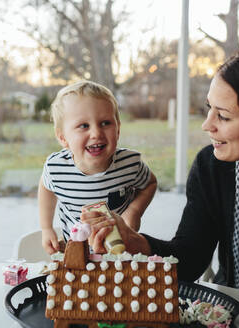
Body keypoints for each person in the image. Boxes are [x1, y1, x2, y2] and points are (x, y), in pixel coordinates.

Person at [81, 45, 239, 318]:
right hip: (235, 313)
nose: (207, 125)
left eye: (223, 116)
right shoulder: (212, 166)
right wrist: (137, 243)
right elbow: (191, 259)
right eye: (209, 109)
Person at [38, 80, 157, 255]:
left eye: (105, 123)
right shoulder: (56, 168)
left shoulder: (130, 164)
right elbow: (46, 187)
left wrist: (134, 211)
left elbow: (150, 183)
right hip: (77, 251)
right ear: (63, 138)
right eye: (83, 126)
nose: (96, 133)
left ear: (118, 130)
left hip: (120, 251)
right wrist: (46, 227)